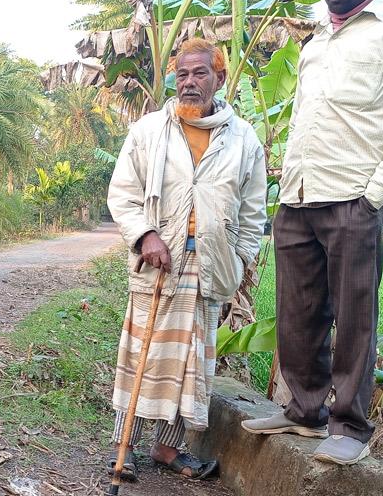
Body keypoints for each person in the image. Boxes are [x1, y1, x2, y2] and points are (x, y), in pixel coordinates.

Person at [241, 0, 383, 465]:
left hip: (354, 196)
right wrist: (285, 187)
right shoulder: (317, 41)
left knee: (355, 316)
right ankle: (304, 411)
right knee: (296, 312)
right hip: (299, 196)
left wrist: (374, 195)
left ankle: (350, 426)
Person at [107, 38, 267, 480]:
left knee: (190, 364)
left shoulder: (243, 139)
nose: (190, 82)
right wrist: (145, 236)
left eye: (200, 74)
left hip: (211, 266)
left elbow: (254, 213)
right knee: (145, 355)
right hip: (159, 261)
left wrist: (239, 259)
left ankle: (167, 449)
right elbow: (123, 195)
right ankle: (123, 446)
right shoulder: (149, 131)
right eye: (183, 74)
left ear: (219, 78)